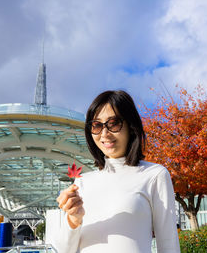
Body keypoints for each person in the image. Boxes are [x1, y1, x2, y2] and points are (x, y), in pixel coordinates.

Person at [51, 90, 180, 253]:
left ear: (131, 127)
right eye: (96, 125)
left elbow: (168, 244)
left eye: (113, 123)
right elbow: (63, 250)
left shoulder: (154, 175)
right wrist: (73, 219)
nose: (104, 134)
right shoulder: (82, 182)